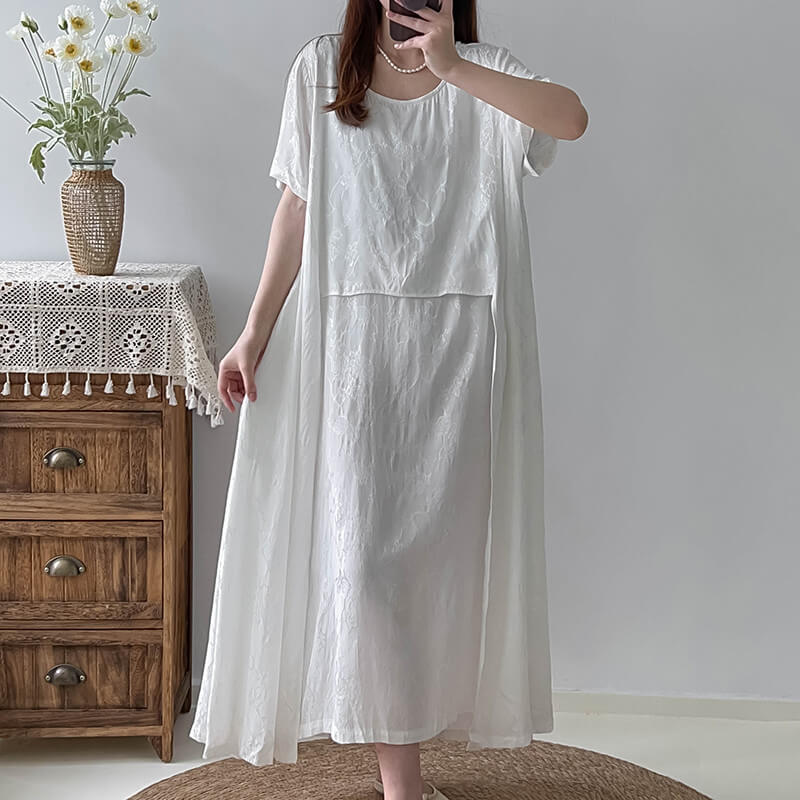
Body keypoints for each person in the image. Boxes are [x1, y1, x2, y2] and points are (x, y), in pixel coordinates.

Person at [189, 1, 588, 799]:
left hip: (462, 353)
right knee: (363, 560)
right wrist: (253, 333)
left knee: (436, 569)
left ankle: (411, 764)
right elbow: (298, 205)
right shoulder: (320, 69)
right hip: (353, 351)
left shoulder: (483, 72)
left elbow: (570, 120)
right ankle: (401, 781)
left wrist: (452, 67)